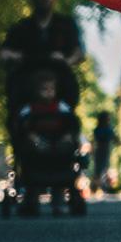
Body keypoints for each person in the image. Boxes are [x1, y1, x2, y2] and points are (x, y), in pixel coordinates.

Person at [0, 0, 84, 124]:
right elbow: (4, 53)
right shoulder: (21, 27)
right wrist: (16, 56)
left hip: (61, 86)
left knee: (69, 119)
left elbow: (78, 53)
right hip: (26, 86)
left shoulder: (66, 25)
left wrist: (66, 60)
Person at [13, 70, 83, 216]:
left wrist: (69, 137)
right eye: (44, 89)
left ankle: (58, 203)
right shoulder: (29, 109)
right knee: (31, 161)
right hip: (36, 148)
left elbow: (72, 124)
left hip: (59, 146)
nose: (49, 93)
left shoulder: (61, 107)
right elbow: (22, 128)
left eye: (51, 89)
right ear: (36, 91)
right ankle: (32, 202)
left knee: (63, 168)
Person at [91, 110, 117, 193]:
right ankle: (102, 187)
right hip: (104, 151)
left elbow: (94, 140)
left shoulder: (97, 129)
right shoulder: (108, 129)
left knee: (99, 170)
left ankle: (97, 187)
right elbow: (114, 138)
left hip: (99, 151)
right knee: (103, 169)